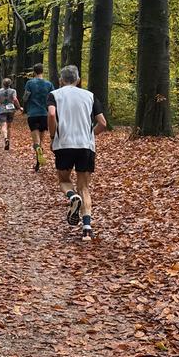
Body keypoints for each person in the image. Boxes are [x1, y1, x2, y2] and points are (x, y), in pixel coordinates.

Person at [47, 65, 108, 241]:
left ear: (60, 80)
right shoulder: (89, 96)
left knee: (64, 181)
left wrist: (53, 137)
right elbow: (102, 123)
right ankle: (87, 228)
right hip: (86, 146)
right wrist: (90, 135)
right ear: (78, 80)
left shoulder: (55, 95)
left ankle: (72, 196)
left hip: (64, 144)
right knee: (84, 187)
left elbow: (51, 115)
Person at [23, 63, 55, 171]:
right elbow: (52, 97)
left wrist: (25, 105)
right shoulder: (49, 84)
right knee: (41, 140)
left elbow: (26, 97)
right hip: (44, 114)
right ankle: (38, 162)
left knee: (35, 141)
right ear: (42, 71)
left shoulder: (29, 83)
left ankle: (38, 155)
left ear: (34, 72)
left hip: (32, 114)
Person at [0, 78, 21, 150]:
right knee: (9, 126)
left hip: (2, 109)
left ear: (3, 84)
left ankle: (5, 138)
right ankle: (9, 140)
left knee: (3, 124)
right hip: (11, 109)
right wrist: (19, 107)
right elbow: (15, 99)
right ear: (10, 84)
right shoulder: (13, 91)